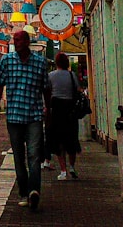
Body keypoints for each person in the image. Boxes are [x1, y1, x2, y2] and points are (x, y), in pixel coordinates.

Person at [0, 30, 50, 212]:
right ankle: (23, 192)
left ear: (26, 42)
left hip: (33, 115)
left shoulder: (40, 62)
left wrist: (48, 107)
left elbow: (46, 87)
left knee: (34, 155)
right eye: (14, 40)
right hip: (14, 115)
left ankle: (34, 191)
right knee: (18, 157)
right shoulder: (7, 61)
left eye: (17, 40)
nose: (14, 42)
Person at [47, 52, 80, 180]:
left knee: (59, 141)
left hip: (56, 111)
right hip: (70, 111)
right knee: (71, 139)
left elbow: (47, 92)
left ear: (56, 63)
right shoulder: (72, 76)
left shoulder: (51, 76)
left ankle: (63, 170)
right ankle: (72, 166)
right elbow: (77, 90)